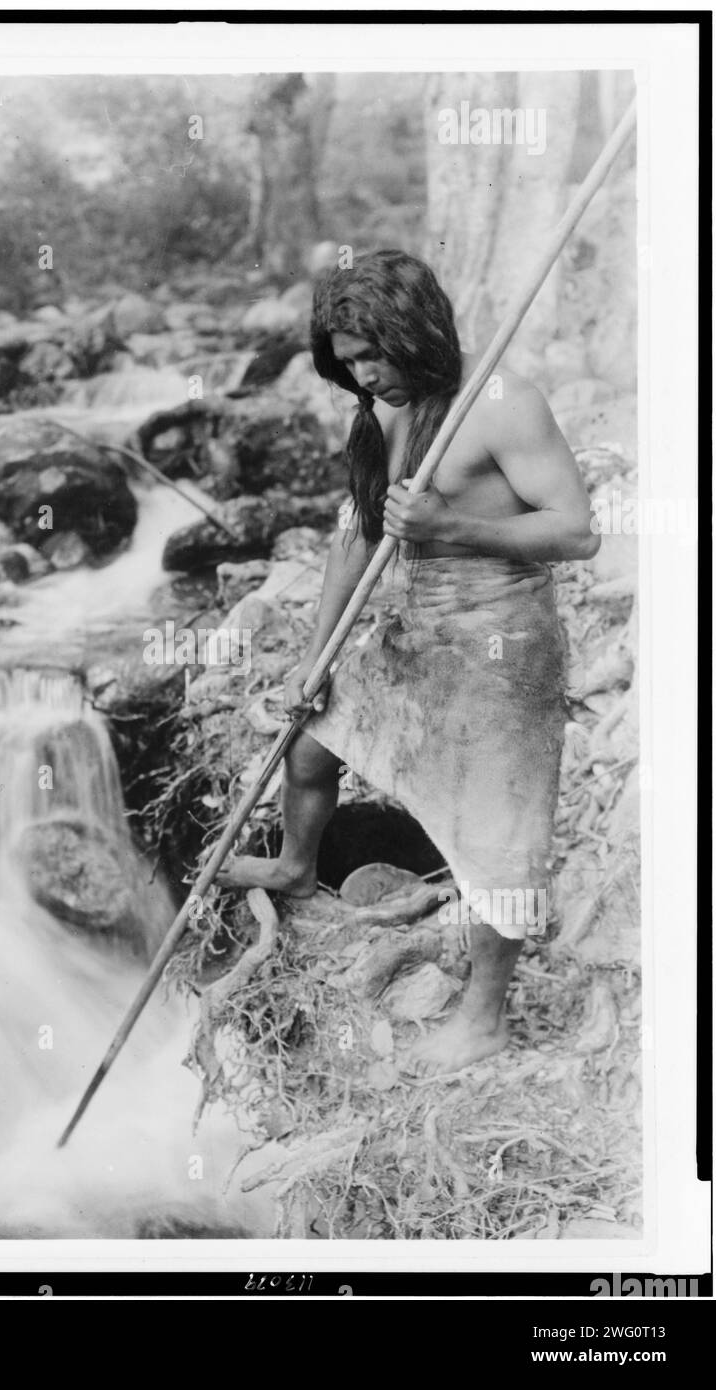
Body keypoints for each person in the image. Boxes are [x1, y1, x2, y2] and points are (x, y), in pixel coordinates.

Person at [218, 249, 599, 1074]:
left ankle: (484, 1018)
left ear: (413, 332)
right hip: (417, 631)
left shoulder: (501, 401)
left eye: (370, 355)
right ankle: (294, 867)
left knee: (499, 838)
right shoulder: (382, 410)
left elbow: (575, 530)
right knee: (311, 738)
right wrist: (313, 657)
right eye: (346, 362)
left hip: (506, 648)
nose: (361, 375)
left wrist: (450, 527)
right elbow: (358, 535)